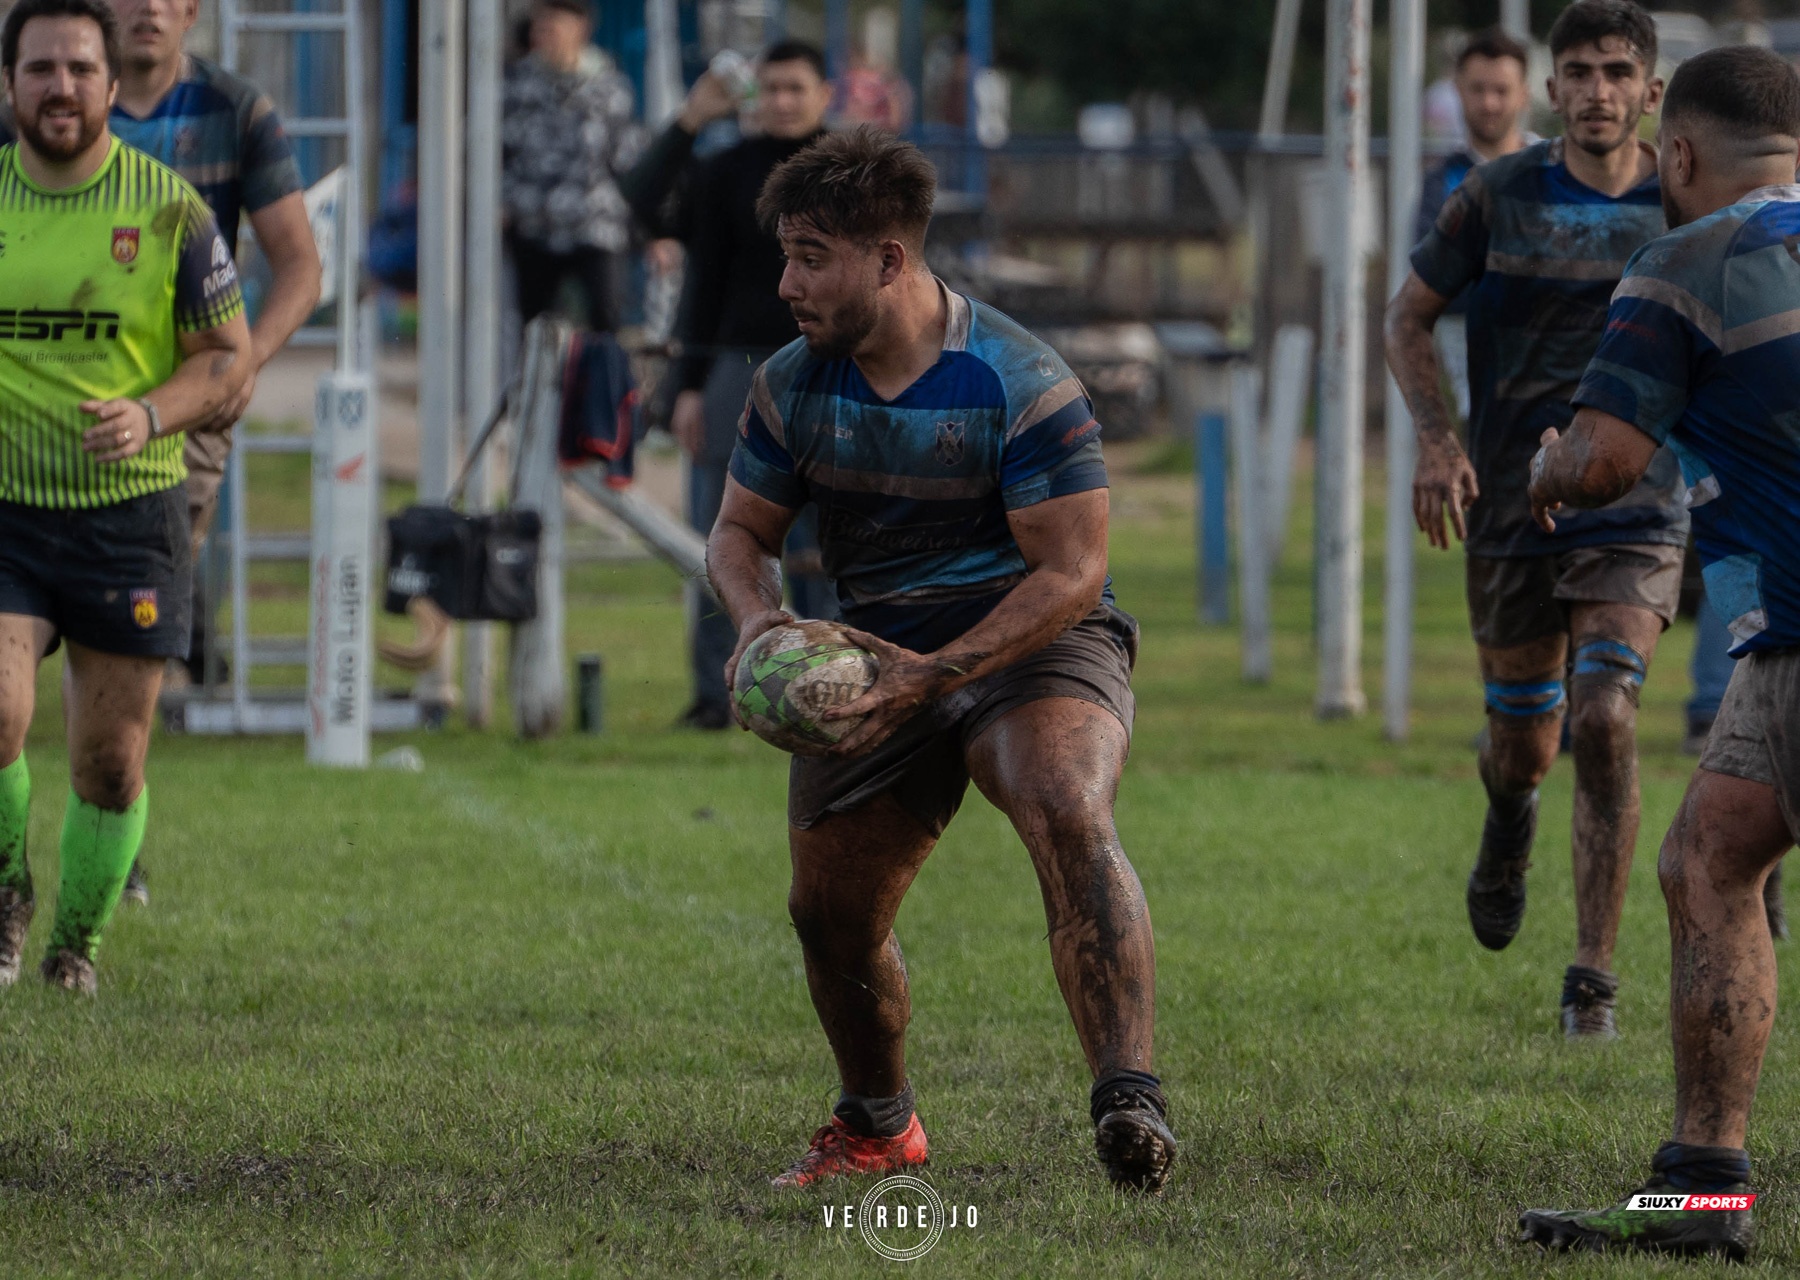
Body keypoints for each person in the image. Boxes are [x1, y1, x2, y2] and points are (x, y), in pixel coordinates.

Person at [706, 127, 1174, 1192]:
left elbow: (1073, 572)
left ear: (889, 261)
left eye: (811, 254)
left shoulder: (1021, 379)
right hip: (879, 652)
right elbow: (739, 535)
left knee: (1064, 799)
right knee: (828, 911)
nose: (786, 282)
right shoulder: (791, 384)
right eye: (785, 253)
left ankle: (1130, 1101)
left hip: (1035, 639)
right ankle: (877, 1124)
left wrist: (940, 672)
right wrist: (758, 622)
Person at [1515, 46, 1800, 1259]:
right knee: (1705, 857)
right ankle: (1702, 1183)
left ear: (1674, 152)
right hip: (1779, 647)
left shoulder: (1686, 258)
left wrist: (1544, 465)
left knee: (1710, 865)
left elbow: (1601, 465)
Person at [1385, 0, 1684, 1039]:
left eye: (1617, 72)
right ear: (1550, 90)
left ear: (1651, 91)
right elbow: (1408, 314)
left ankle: (1591, 980)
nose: (1598, 90)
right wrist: (1439, 440)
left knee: (1605, 715)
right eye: (1580, 72)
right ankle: (1509, 814)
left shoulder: (1686, 205)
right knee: (1527, 742)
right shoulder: (1497, 193)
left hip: (1640, 503)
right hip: (1513, 508)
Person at [0, 0, 252, 994]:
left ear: (112, 86)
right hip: (7, 506)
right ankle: (6, 902)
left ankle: (74, 946)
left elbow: (227, 359)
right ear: (11, 84)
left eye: (77, 69)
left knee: (110, 763)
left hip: (128, 516)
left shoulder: (171, 210)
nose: (58, 87)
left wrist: (151, 414)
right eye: (37, 70)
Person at [101, 0, 321, 907]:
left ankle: (112, 837)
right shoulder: (47, 99)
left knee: (130, 637)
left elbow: (300, 265)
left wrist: (244, 363)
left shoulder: (237, 111)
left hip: (182, 411)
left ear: (191, 10)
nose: (145, 7)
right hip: (43, 409)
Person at [673, 40, 837, 731]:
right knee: (722, 532)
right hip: (735, 366)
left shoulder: (851, 174)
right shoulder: (721, 173)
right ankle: (720, 691)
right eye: (770, 89)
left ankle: (835, 681)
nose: (782, 101)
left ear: (824, 95)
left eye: (795, 88)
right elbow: (700, 281)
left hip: (832, 368)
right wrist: (687, 385)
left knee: (833, 536)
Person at [1412, 27, 1534, 419]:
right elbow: (1435, 278)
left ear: (1524, 94)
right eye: (1477, 89)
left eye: (1501, 90)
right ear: (1458, 92)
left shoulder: (1555, 169)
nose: (1489, 103)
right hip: (1476, 385)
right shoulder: (1441, 181)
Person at [501, 0, 639, 331]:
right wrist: (501, 202)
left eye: (553, 26)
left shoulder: (610, 88)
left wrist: (650, 230)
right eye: (540, 26)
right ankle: (537, 383)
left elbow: (628, 159)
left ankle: (604, 383)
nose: (544, 35)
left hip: (596, 224)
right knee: (533, 325)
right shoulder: (513, 85)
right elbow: (495, 152)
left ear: (580, 29)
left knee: (607, 319)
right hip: (533, 224)